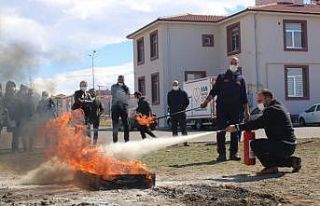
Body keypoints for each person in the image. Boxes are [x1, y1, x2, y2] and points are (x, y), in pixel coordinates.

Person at [226, 89, 302, 175]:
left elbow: (258, 123)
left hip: (284, 144)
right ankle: (293, 161)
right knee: (271, 157)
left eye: (260, 101)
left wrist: (237, 127)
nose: (258, 103)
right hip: (289, 144)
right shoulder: (278, 106)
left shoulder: (272, 109)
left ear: (268, 98)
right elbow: (260, 122)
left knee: (255, 144)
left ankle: (270, 167)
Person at [201, 56, 250, 161]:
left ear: (238, 65)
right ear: (229, 63)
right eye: (232, 62)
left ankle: (233, 154)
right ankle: (221, 154)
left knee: (235, 132)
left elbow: (244, 97)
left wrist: (247, 112)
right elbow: (213, 92)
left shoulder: (241, 79)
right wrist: (206, 102)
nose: (233, 64)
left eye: (235, 63)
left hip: (236, 110)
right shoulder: (222, 77)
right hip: (222, 109)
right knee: (220, 131)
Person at [111, 75, 130, 143]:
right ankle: (115, 141)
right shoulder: (114, 86)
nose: (121, 80)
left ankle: (127, 140)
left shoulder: (126, 87)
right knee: (115, 124)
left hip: (124, 107)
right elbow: (114, 93)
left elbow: (128, 96)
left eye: (122, 79)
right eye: (119, 78)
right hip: (115, 107)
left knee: (126, 124)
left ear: (124, 80)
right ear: (117, 79)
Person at [3, 81, 19, 152]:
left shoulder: (15, 96)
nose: (14, 88)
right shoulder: (5, 97)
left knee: (16, 133)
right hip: (6, 117)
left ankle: (14, 148)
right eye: (12, 86)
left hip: (14, 117)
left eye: (14, 86)